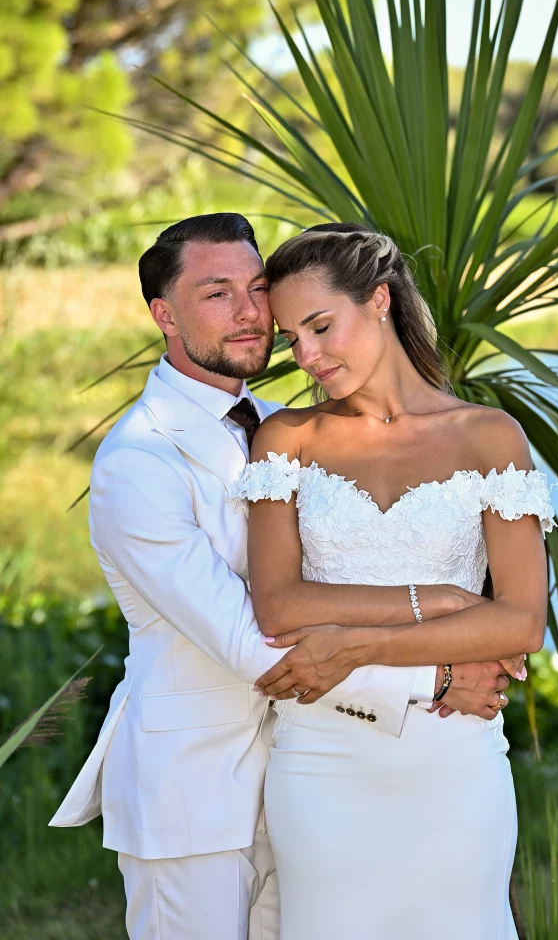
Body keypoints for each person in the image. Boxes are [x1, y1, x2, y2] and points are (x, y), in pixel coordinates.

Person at [49, 213, 501, 940]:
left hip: (305, 782)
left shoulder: (283, 424)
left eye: (256, 288)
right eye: (216, 293)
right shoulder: (138, 461)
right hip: (194, 796)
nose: (250, 312)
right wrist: (435, 679)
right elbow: (245, 635)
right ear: (164, 314)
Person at [230, 222, 555, 939]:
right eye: (291, 340)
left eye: (320, 326)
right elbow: (279, 606)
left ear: (378, 300)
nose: (307, 357)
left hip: (454, 756)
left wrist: (348, 644)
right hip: (321, 761)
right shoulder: (286, 438)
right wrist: (438, 607)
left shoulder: (488, 436)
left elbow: (519, 621)